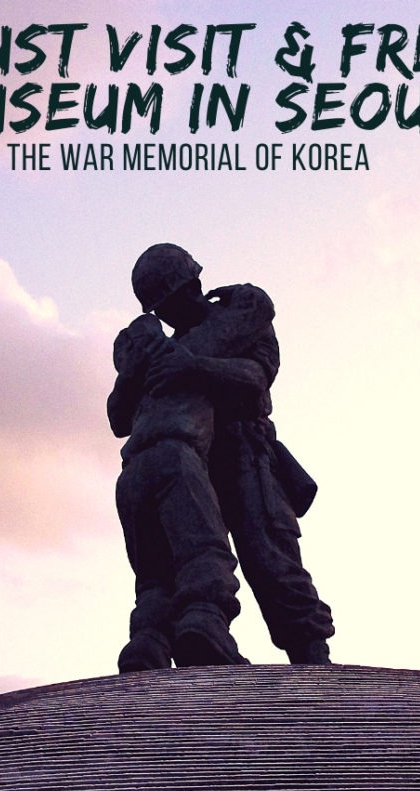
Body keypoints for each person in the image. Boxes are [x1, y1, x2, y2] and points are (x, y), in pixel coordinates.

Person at [130, 243, 335, 665]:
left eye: (175, 300)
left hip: (247, 453)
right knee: (185, 559)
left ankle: (313, 662)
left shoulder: (240, 321)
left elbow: (256, 379)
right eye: (162, 308)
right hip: (192, 456)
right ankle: (195, 639)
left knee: (272, 561)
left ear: (196, 286)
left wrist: (195, 368)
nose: (170, 314)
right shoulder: (169, 349)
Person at [108, 247, 276, 672]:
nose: (167, 313)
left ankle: (148, 639)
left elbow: (255, 379)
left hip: (144, 470)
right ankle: (204, 623)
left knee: (155, 573)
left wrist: (157, 366)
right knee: (204, 554)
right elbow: (252, 315)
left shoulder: (156, 356)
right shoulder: (199, 341)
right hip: (177, 456)